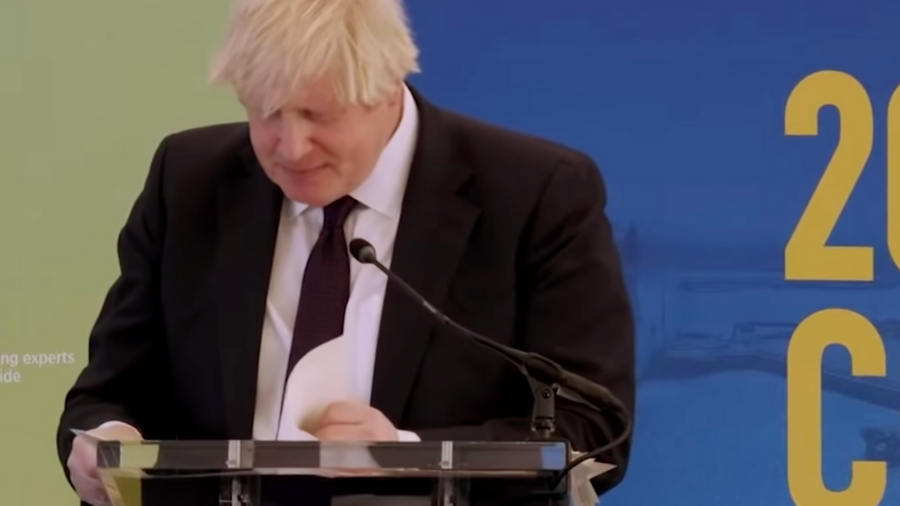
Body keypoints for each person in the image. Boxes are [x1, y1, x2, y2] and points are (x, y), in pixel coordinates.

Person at [56, 0, 635, 504]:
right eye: (265, 111)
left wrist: (405, 454)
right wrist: (105, 438)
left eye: (318, 114)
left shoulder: (534, 192)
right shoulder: (189, 180)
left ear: (387, 86)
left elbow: (593, 428)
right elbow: (110, 389)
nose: (291, 147)